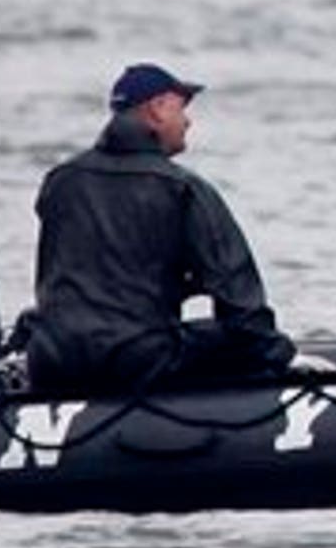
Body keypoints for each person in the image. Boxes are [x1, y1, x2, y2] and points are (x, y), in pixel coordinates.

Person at [21, 63, 296, 393]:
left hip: (52, 360)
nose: (189, 121)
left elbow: (85, 275)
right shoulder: (182, 189)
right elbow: (244, 312)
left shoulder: (61, 181)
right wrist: (277, 358)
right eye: (183, 108)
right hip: (136, 361)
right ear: (157, 109)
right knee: (248, 339)